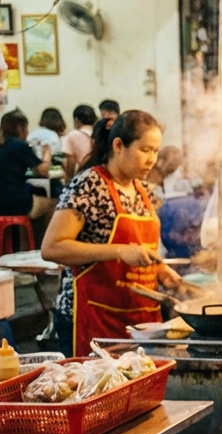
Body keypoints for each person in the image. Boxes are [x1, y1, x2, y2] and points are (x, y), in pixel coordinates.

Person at [41, 111, 179, 355]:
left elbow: (139, 248)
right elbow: (52, 247)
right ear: (118, 145)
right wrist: (118, 251)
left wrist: (159, 270)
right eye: (145, 150)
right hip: (93, 319)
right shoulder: (89, 185)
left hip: (140, 323)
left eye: (156, 151)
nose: (152, 160)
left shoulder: (144, 191)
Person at [0, 110, 54, 223]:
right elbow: (43, 171)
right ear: (20, 128)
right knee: (54, 204)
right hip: (12, 201)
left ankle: (23, 239)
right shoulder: (19, 145)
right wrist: (47, 151)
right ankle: (44, 240)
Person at [61, 105, 97, 180]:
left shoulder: (73, 135)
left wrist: (68, 179)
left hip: (83, 176)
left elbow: (71, 162)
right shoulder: (99, 134)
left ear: (77, 120)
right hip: (100, 175)